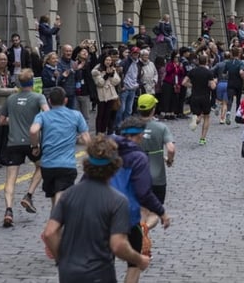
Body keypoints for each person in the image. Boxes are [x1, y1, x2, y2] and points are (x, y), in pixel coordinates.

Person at [41, 135, 151, 283]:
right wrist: (139, 259)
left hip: (69, 274)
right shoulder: (117, 201)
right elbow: (118, 244)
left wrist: (62, 260)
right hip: (99, 274)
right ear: (115, 166)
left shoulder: (68, 195)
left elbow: (49, 233)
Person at [110, 116, 171, 283]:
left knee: (105, 262)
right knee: (135, 262)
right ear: (139, 135)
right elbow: (143, 192)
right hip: (127, 216)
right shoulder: (138, 157)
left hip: (100, 214)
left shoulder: (105, 151)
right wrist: (162, 212)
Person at [0, 69, 49, 227]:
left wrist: (12, 121)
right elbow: (47, 114)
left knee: (10, 178)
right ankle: (28, 195)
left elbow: (1, 121)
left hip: (13, 142)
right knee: (42, 166)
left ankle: (8, 210)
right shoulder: (38, 97)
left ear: (19, 83)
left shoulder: (11, 99)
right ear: (32, 82)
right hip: (31, 141)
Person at [30, 87, 91, 208]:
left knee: (54, 199)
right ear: (66, 100)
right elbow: (86, 139)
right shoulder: (76, 115)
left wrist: (35, 146)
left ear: (49, 101)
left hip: (47, 166)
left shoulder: (42, 116)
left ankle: (55, 222)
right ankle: (57, 222)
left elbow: (33, 131)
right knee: (61, 197)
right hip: (66, 164)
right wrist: (93, 156)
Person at [136, 94, 175, 230]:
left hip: (137, 175)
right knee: (154, 212)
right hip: (157, 177)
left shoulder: (132, 127)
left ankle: (140, 233)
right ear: (153, 109)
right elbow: (170, 148)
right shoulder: (161, 127)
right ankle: (144, 229)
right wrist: (169, 160)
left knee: (142, 210)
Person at [182, 54, 217, 146]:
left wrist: (192, 85)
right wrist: (214, 82)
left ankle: (195, 119)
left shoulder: (192, 71)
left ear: (198, 61)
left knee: (197, 114)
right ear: (206, 61)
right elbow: (213, 87)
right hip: (205, 97)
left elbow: (184, 82)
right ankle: (202, 138)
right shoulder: (209, 72)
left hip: (194, 96)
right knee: (206, 116)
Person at [92, 53, 121, 135]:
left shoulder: (112, 69)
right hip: (101, 95)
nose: (108, 62)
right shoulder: (97, 70)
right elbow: (99, 83)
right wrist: (106, 75)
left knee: (108, 114)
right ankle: (98, 132)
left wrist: (111, 75)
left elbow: (117, 81)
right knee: (100, 114)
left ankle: (104, 131)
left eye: (109, 60)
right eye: (106, 60)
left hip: (111, 95)